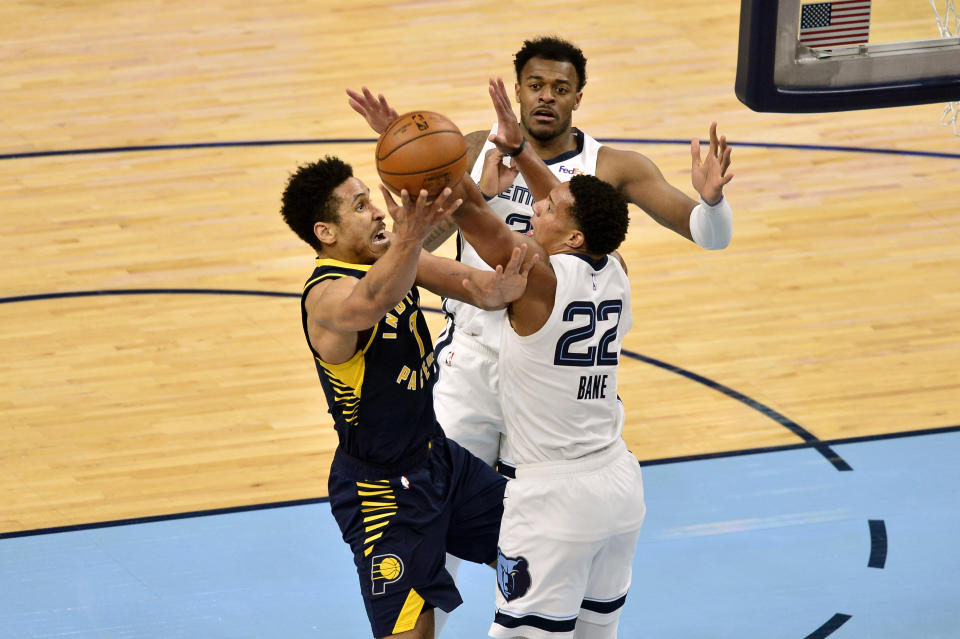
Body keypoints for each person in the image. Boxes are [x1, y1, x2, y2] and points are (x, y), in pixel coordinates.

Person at [347, 35, 734, 479]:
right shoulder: (472, 150)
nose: (546, 96)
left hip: (549, 370)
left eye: (560, 88)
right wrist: (413, 151)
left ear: (578, 98)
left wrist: (713, 203)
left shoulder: (612, 167)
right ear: (517, 90)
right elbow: (421, 241)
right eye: (535, 85)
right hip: (472, 355)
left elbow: (709, 236)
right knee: (445, 505)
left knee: (525, 510)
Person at [446, 84, 731, 636]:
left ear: (572, 235)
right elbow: (574, 208)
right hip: (618, 485)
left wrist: (434, 164)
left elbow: (474, 214)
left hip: (553, 497)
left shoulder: (534, 278)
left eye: (547, 207)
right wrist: (525, 154)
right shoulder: (615, 269)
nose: (537, 205)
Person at [280, 156, 538, 639]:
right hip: (381, 493)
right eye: (360, 206)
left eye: (371, 200)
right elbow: (370, 302)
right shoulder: (325, 298)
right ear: (326, 232)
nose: (377, 212)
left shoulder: (389, 261)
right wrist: (410, 238)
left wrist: (501, 283)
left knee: (539, 540)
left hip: (438, 460)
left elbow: (475, 287)